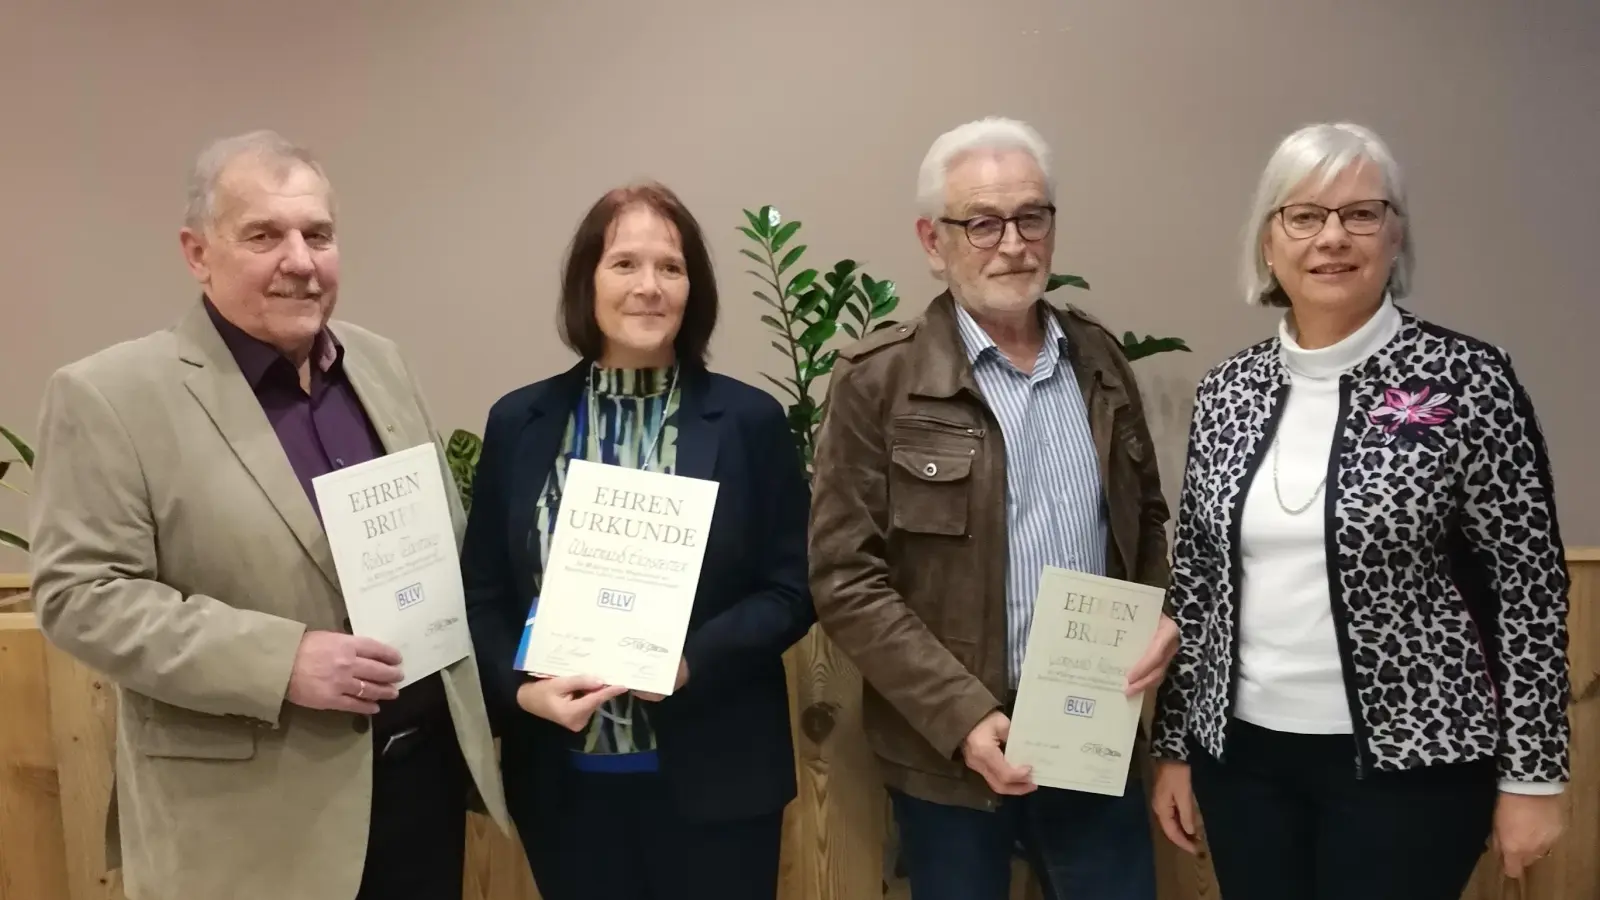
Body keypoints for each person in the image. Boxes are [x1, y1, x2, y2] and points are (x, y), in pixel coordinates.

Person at [27, 130, 511, 900]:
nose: (300, 260)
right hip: (250, 832)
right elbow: (80, 597)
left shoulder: (380, 363)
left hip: (419, 795)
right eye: (263, 235)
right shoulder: (110, 395)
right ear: (197, 252)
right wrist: (280, 660)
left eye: (317, 234)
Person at [1148, 122, 1571, 899]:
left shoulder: (1467, 380)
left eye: (1362, 214)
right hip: (1243, 763)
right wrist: (1174, 744)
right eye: (1304, 215)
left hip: (1414, 766)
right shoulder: (1228, 390)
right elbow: (1200, 579)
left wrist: (1535, 776)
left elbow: (1530, 589)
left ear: (1395, 234)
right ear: (1268, 242)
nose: (1332, 238)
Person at [808, 116, 1180, 900]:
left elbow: (1145, 520)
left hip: (1090, 734)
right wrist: (962, 716)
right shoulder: (879, 380)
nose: (1012, 243)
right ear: (933, 240)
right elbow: (844, 576)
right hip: (948, 756)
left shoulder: (1100, 362)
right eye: (982, 222)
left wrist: (1158, 622)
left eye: (1031, 217)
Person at [460, 181, 814, 900]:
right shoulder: (520, 422)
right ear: (586, 282)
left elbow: (794, 588)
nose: (649, 287)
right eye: (624, 264)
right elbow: (482, 595)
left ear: (694, 288)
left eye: (671, 267)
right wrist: (522, 695)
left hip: (719, 781)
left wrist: (689, 663)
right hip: (563, 784)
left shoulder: (749, 423)